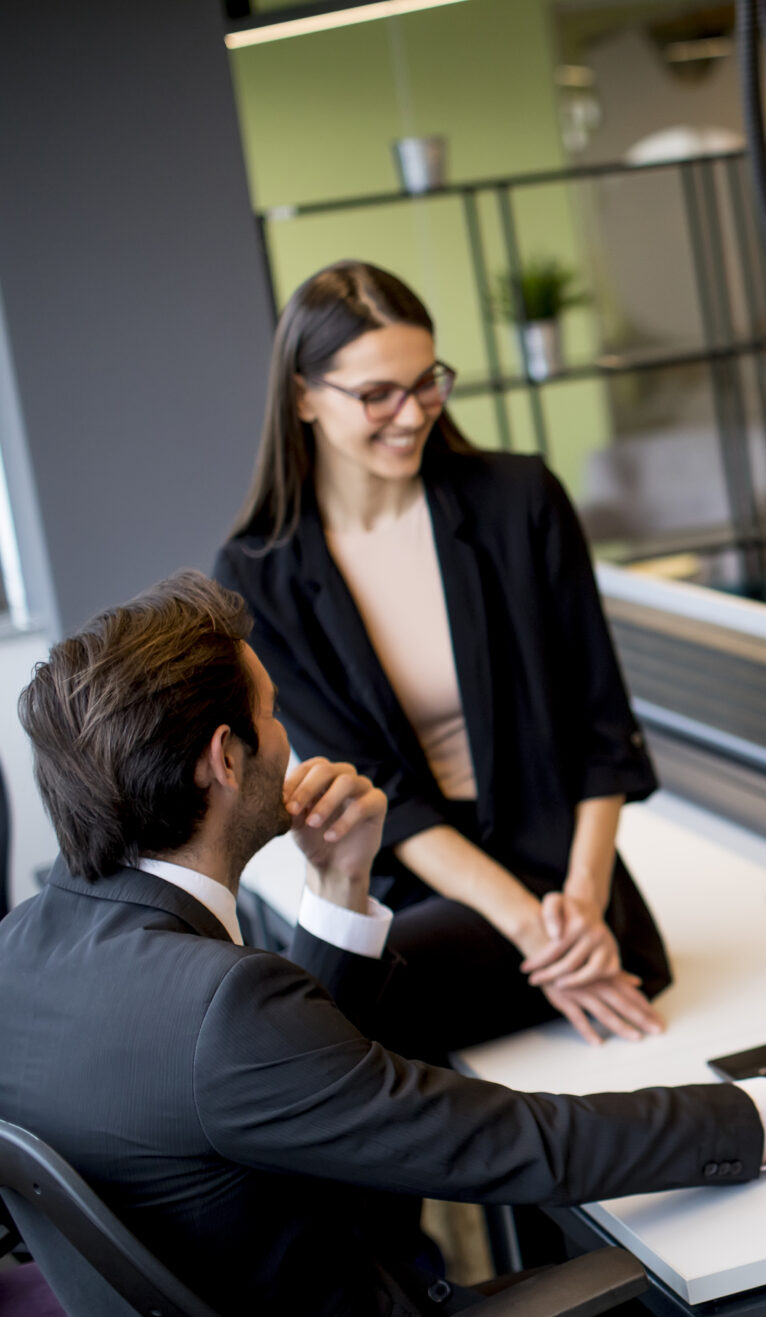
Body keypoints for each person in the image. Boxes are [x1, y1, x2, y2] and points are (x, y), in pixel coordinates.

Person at [0, 572, 766, 1317]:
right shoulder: (223, 1007)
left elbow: (290, 1085)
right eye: (272, 714)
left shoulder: (25, 949)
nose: (291, 740)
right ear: (225, 760)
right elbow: (515, 1141)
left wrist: (343, 881)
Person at [216, 261, 661, 1061]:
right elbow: (388, 789)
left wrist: (581, 907)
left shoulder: (520, 500)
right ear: (303, 396)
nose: (411, 412)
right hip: (422, 883)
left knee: (332, 1033)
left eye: (428, 383)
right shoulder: (259, 576)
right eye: (377, 393)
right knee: (318, 1028)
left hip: (567, 873)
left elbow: (604, 730)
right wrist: (534, 933)